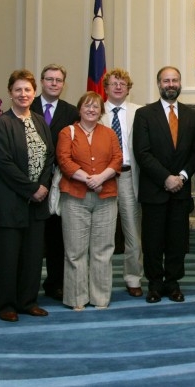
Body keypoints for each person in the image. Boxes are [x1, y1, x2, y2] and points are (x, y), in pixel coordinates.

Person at [0, 69, 55, 323]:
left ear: (34, 92)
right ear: (10, 93)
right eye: (18, 89)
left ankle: (28, 301)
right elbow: (4, 163)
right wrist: (31, 188)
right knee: (8, 256)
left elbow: (49, 157)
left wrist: (43, 186)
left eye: (27, 89)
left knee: (32, 255)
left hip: (37, 203)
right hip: (10, 201)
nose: (23, 94)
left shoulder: (39, 121)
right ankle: (6, 304)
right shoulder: (2, 123)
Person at [133, 66, 195, 303]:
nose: (170, 84)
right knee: (152, 241)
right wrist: (166, 178)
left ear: (180, 83)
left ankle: (172, 283)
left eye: (174, 80)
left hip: (180, 191)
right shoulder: (144, 114)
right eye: (166, 80)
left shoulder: (192, 115)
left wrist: (181, 176)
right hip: (154, 189)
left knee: (177, 241)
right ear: (158, 84)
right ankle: (154, 283)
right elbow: (142, 153)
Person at [56, 91, 123, 311]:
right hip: (74, 198)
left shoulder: (109, 133)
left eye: (95, 107)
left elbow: (117, 158)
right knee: (75, 251)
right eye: (87, 106)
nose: (91, 110)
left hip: (106, 197)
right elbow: (63, 160)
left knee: (103, 250)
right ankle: (76, 298)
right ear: (79, 109)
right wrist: (88, 179)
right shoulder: (68, 132)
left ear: (101, 111)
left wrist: (101, 178)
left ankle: (100, 298)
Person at [30, 64, 79, 302]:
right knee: (33, 237)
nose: (54, 83)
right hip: (30, 183)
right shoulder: (27, 106)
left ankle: (56, 283)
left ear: (63, 84)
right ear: (41, 82)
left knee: (57, 238)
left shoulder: (71, 112)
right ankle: (27, 284)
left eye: (58, 80)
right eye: (49, 79)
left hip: (60, 182)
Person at [100, 68, 144, 298]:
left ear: (128, 88)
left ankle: (133, 278)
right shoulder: (95, 112)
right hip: (103, 180)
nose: (118, 87)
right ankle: (100, 280)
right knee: (103, 235)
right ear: (105, 88)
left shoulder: (141, 113)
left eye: (123, 84)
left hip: (129, 177)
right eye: (114, 84)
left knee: (132, 233)